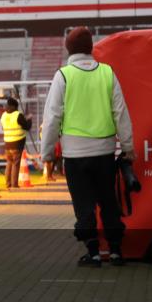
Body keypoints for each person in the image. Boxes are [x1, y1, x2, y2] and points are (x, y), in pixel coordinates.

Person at [41, 26, 134, 267]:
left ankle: (92, 252)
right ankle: (115, 250)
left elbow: (52, 118)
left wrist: (48, 153)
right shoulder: (107, 73)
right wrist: (128, 146)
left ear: (68, 49)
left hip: (75, 155)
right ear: (90, 47)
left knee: (83, 205)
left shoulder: (63, 76)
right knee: (108, 202)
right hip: (105, 153)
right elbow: (120, 113)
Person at [1, 97, 32, 189]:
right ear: (14, 106)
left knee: (9, 163)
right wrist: (29, 120)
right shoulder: (18, 115)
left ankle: (8, 184)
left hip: (7, 143)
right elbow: (26, 127)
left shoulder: (3, 115)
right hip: (17, 143)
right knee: (15, 164)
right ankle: (14, 185)